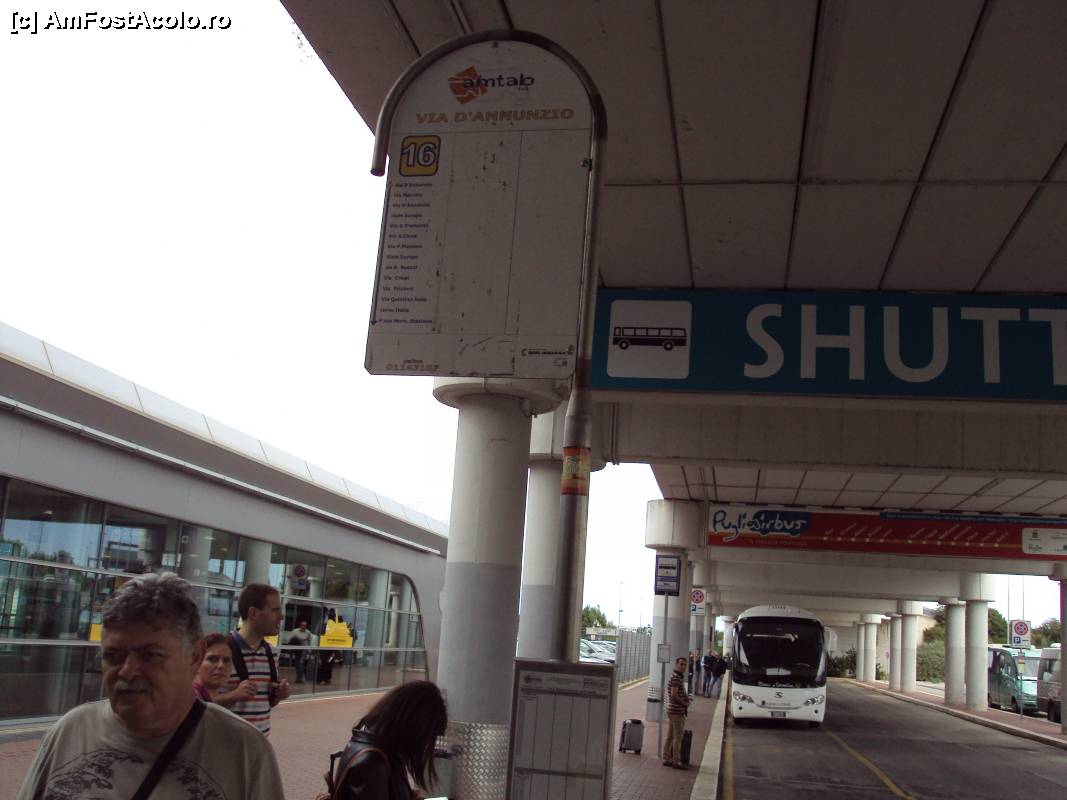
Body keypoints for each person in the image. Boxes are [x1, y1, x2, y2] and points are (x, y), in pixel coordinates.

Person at [16, 572, 284, 800]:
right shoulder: (69, 733)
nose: (127, 671)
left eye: (150, 655)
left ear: (193, 657)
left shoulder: (245, 752)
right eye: (114, 656)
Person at [330, 680, 448, 800]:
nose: (425, 744)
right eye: (426, 736)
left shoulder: (379, 746)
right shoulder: (373, 764)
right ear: (414, 726)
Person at [216, 583, 292, 735]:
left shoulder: (272, 653)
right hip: (224, 746)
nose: (281, 616)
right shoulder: (221, 651)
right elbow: (200, 702)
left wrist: (277, 696)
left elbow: (263, 705)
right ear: (254, 613)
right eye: (275, 610)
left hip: (259, 745)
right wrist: (234, 695)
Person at [662, 656, 690, 769]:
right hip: (676, 711)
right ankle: (676, 761)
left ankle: (666, 757)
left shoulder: (676, 676)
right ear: (676, 664)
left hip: (672, 710)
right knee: (678, 737)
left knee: (670, 735)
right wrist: (684, 703)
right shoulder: (676, 678)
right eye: (681, 664)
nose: (683, 666)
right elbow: (674, 694)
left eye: (685, 665)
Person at [193, 632, 235, 702]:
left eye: (226, 660)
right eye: (212, 659)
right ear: (196, 662)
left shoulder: (204, 700)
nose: (221, 665)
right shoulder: (191, 699)